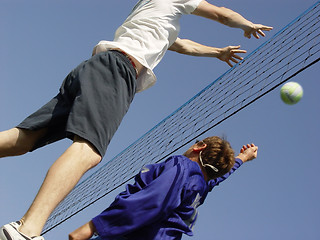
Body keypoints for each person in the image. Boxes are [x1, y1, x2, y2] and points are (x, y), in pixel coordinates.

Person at [0, 0, 271, 239]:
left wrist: (218, 52)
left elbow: (183, 45)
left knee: (24, 139)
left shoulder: (156, 12)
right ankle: (27, 230)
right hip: (117, 71)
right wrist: (247, 24)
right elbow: (222, 14)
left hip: (97, 67)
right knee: (89, 151)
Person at [68, 137, 258, 240]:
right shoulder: (201, 185)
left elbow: (154, 201)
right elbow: (219, 178)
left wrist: (94, 226)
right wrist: (243, 158)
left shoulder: (183, 165)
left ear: (200, 146)